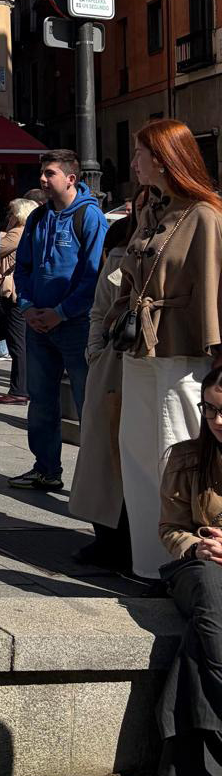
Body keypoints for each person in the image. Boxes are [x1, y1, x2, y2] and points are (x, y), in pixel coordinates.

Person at [110, 120, 222, 581]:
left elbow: (214, 285)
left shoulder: (204, 215)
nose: (133, 162)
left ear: (161, 158)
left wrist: (216, 350)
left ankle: (184, 563)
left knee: (174, 450)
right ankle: (148, 564)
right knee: (136, 452)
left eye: (139, 153)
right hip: (140, 346)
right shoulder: (151, 210)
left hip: (182, 348)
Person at [10, 149, 107, 492]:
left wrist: (61, 312)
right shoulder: (38, 217)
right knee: (41, 401)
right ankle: (46, 469)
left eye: (50, 173)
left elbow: (94, 276)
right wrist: (27, 306)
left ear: (71, 178)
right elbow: (23, 267)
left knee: (87, 403)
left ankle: (96, 481)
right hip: (38, 324)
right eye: (42, 172)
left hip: (76, 326)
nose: (42, 179)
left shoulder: (90, 217)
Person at [156, 365, 222, 776]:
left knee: (202, 633)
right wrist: (196, 547)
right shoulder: (185, 456)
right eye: (210, 409)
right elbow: (170, 528)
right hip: (196, 567)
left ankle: (190, 770)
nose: (217, 420)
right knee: (211, 592)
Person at [68, 204, 139, 571]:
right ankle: (107, 538)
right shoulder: (120, 245)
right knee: (102, 455)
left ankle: (137, 545)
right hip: (111, 364)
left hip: (149, 363)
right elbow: (99, 309)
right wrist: (95, 352)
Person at [0, 197, 40, 405]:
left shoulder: (17, 232)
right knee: (21, 342)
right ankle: (22, 387)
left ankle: (19, 389)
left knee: (17, 343)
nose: (9, 216)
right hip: (24, 293)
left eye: (12, 212)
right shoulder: (30, 232)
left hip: (13, 294)